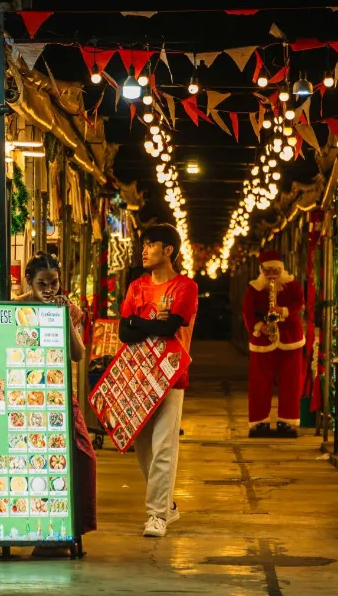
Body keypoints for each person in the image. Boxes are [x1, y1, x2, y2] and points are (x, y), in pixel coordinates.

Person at [118, 224, 199, 538]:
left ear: (168, 250)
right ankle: (168, 507)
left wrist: (141, 323)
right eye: (144, 244)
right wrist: (151, 321)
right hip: (137, 376)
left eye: (151, 244)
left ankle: (156, 516)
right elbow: (125, 332)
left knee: (164, 446)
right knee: (143, 449)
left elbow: (170, 330)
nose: (144, 249)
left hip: (171, 375)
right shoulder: (136, 286)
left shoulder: (185, 288)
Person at [15, 253, 97, 555]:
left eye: (54, 283)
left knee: (82, 458)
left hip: (59, 393)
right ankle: (43, 536)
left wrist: (64, 320)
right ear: (29, 282)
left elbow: (77, 354)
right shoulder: (16, 307)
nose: (49, 290)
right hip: (24, 393)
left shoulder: (67, 308)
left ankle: (70, 531)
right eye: (42, 284)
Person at [242, 250, 306, 438]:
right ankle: (258, 422)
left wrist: (283, 311)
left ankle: (287, 421)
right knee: (259, 383)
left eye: (275, 270)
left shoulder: (292, 286)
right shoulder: (254, 289)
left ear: (282, 269)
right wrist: (259, 326)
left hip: (290, 338)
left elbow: (300, 303)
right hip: (263, 339)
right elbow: (247, 312)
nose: (271, 275)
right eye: (267, 270)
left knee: (291, 382)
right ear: (261, 270)